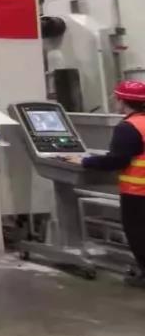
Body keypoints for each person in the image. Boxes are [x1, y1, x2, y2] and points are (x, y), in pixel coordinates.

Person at [65, 80, 145, 283]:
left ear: (121, 101)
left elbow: (116, 160)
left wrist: (85, 161)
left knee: (139, 234)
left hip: (137, 192)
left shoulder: (128, 128)